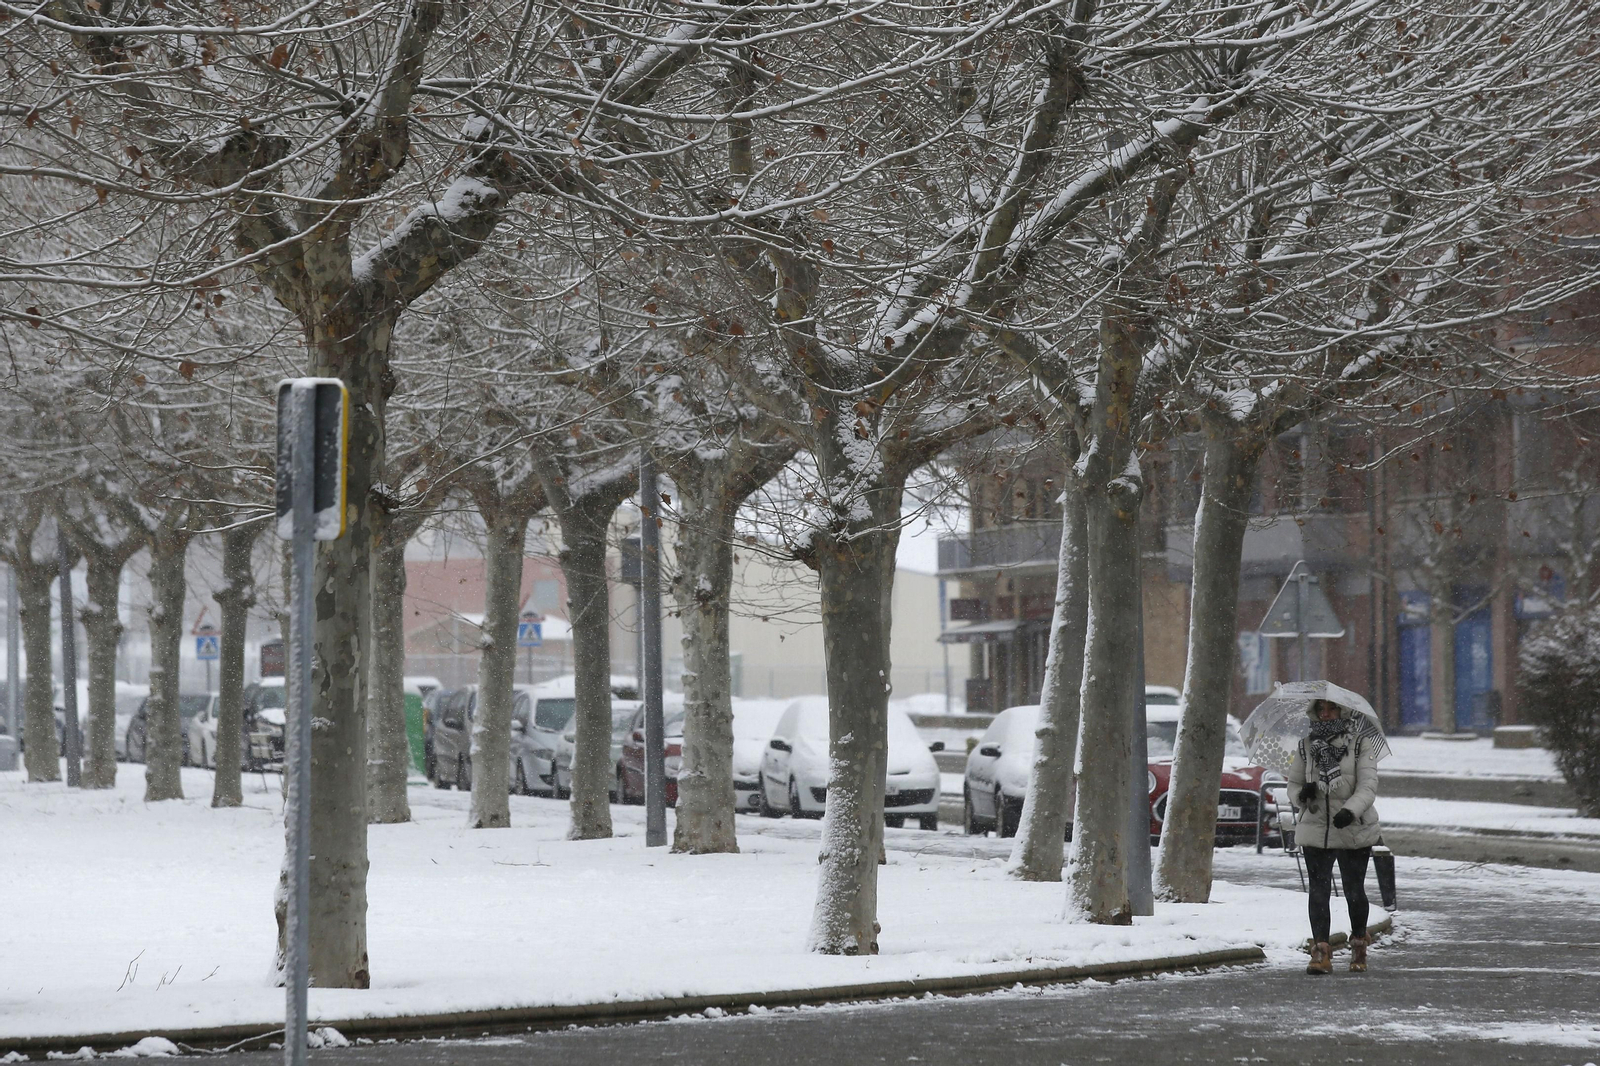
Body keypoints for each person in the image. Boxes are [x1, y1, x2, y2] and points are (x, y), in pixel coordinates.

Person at [1287, 697, 1382, 975]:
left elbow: (1368, 785)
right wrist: (1300, 795)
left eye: (1331, 708)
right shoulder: (1306, 746)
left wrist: (1350, 811)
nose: (1325, 714)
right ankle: (1320, 952)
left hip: (1352, 826)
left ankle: (1359, 944)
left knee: (1354, 890)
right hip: (1315, 826)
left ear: (1343, 710)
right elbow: (1293, 784)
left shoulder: (1360, 743)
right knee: (1318, 891)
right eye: (1320, 709)